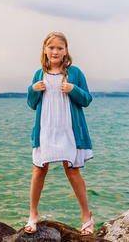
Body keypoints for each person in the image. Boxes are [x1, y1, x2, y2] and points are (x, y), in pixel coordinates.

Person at [25, 31, 94, 235]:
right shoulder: (39, 74)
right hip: (46, 129)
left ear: (66, 51)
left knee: (72, 171)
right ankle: (33, 215)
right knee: (39, 170)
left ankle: (86, 217)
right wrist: (33, 89)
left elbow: (87, 99)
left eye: (60, 48)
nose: (55, 51)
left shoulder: (75, 73)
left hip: (68, 130)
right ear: (45, 50)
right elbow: (32, 104)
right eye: (51, 47)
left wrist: (73, 88)